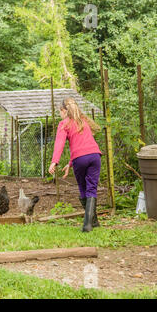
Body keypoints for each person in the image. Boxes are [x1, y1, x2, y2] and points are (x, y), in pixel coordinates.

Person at [48, 97, 102, 232]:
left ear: (63, 111)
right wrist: (70, 163)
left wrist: (54, 161)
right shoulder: (83, 121)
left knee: (84, 189)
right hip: (95, 156)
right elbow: (83, 145)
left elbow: (59, 144)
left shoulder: (64, 124)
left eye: (59, 112)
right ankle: (93, 223)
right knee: (92, 189)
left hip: (81, 159)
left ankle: (87, 225)